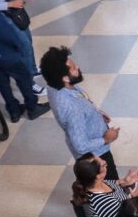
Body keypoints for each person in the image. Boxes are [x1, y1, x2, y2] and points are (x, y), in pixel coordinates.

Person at [40, 46, 120, 176]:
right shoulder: (73, 109)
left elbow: (80, 98)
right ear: (65, 78)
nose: (77, 66)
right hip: (97, 156)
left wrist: (96, 113)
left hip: (92, 138)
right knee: (111, 185)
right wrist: (106, 139)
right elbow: (80, 146)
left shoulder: (55, 85)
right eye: (73, 68)